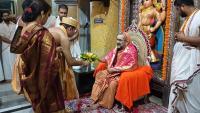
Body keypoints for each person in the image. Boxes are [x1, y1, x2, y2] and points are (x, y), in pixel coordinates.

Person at [11, 0, 65, 112]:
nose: (47, 18)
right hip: (44, 79)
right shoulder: (43, 33)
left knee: (37, 105)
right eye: (48, 15)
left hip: (30, 75)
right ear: (41, 13)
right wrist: (56, 52)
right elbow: (50, 63)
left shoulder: (25, 29)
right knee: (49, 105)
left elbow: (15, 48)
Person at [90, 33, 138, 109]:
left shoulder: (131, 51)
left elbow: (132, 66)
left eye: (120, 40)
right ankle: (95, 98)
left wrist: (114, 70)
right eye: (117, 39)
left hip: (123, 73)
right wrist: (95, 57)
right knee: (100, 74)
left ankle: (103, 104)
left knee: (112, 83)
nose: (117, 42)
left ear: (126, 42)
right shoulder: (117, 48)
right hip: (113, 70)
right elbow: (107, 58)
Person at [168, 0, 200, 113]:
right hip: (183, 64)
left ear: (182, 6)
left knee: (192, 98)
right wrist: (180, 37)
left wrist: (183, 38)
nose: (177, 12)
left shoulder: (199, 16)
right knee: (181, 97)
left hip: (192, 66)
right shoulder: (189, 17)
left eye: (177, 9)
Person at [48, 17, 88, 100]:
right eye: (74, 31)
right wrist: (83, 62)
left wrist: (56, 50)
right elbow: (70, 62)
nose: (74, 33)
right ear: (70, 28)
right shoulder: (64, 37)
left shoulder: (54, 29)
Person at [0, 10, 16, 82]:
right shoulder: (0, 25)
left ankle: (15, 77)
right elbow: (1, 37)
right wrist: (10, 42)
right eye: (4, 16)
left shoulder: (14, 25)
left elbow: (17, 35)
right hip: (5, 46)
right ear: (2, 17)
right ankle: (8, 78)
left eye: (7, 15)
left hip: (14, 46)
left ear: (9, 16)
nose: (6, 17)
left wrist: (14, 42)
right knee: (6, 63)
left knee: (13, 61)